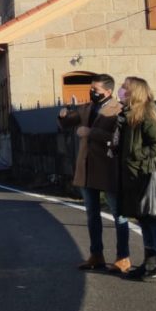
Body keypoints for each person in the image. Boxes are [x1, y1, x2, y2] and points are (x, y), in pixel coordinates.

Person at [59, 74, 131, 273]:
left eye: (96, 90)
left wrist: (91, 133)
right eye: (91, 88)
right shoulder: (87, 107)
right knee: (92, 215)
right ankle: (96, 255)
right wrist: (63, 115)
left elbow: (119, 138)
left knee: (119, 214)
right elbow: (68, 123)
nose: (92, 92)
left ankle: (123, 256)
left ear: (108, 91)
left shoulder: (119, 110)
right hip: (87, 168)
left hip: (108, 168)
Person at [116, 76, 156, 281]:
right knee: (143, 219)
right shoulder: (130, 114)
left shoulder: (147, 113)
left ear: (135, 91)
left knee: (154, 219)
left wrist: (137, 155)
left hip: (146, 174)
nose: (121, 91)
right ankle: (148, 262)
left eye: (125, 88)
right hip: (135, 176)